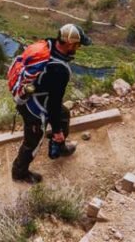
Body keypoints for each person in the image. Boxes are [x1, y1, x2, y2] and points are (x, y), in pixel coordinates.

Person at [10, 23, 92, 184]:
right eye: (77, 45)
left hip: (30, 95)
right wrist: (56, 131)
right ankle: (19, 172)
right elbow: (53, 103)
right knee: (33, 141)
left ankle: (59, 148)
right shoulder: (59, 70)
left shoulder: (47, 45)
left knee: (64, 114)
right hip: (33, 107)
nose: (78, 48)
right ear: (69, 43)